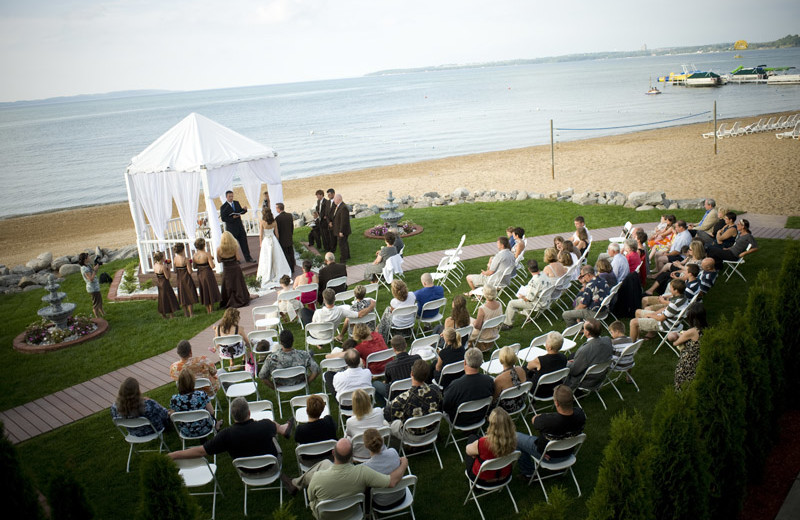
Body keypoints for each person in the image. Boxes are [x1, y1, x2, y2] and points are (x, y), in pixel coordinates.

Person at [169, 397, 296, 492]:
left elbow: (201, 451)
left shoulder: (225, 435)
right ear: (249, 413)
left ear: (232, 415)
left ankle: (280, 471)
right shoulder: (266, 424)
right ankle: (284, 429)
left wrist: (174, 455)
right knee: (273, 436)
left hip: (246, 473)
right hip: (271, 467)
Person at [304, 438, 409, 519]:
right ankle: (297, 482)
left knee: (324, 465)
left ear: (333, 453)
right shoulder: (363, 472)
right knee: (325, 463)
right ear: (352, 456)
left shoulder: (317, 477)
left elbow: (311, 498)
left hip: (326, 517)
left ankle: (297, 482)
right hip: (353, 513)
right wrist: (404, 463)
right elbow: (391, 481)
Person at [516, 385, 586, 479]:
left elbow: (534, 420)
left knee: (515, 438)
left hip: (548, 456)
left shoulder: (548, 421)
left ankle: (528, 472)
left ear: (556, 403)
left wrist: (547, 415)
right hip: (568, 454)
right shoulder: (581, 415)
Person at [384, 359, 443, 439]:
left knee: (384, 422)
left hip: (412, 436)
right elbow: (441, 408)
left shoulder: (402, 399)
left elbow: (387, 416)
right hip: (432, 431)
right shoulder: (436, 391)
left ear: (411, 373)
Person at [443, 348, 495, 426]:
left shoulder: (456, 386)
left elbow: (445, 406)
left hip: (460, 421)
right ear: (481, 362)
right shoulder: (489, 381)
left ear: (464, 362)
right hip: (480, 416)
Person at [465, 408, 517, 485]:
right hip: (505, 476)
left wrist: (476, 453)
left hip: (482, 480)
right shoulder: (513, 439)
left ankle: (475, 487)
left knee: (472, 438)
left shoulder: (483, 442)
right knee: (476, 442)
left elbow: (468, 450)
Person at [362, 428, 407, 509]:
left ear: (366, 446)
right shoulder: (393, 452)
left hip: (382, 504)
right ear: (382, 440)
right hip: (401, 496)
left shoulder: (366, 467)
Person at [564, 319, 613, 389]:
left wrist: (568, 363)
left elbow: (574, 371)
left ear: (587, 332)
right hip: (601, 375)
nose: (583, 329)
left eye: (583, 328)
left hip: (587, 380)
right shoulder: (607, 339)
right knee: (572, 356)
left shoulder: (584, 350)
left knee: (562, 366)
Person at [374, 335, 422, 406]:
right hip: (416, 389)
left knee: (375, 384)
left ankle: (385, 407)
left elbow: (387, 382)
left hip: (397, 395)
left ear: (393, 349)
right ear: (406, 345)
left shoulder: (390, 366)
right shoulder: (417, 358)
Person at [170, 369, 219, 437]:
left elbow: (173, 416)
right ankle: (217, 425)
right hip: (205, 428)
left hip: (187, 431)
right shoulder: (201, 395)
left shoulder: (174, 399)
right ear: (193, 382)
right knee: (211, 416)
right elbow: (211, 411)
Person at [672, 303, 708, 391]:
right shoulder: (706, 328)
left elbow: (676, 343)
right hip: (698, 360)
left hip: (688, 362)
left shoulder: (692, 331)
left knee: (682, 385)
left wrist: (678, 335)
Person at [346, 389, 388, 459]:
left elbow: (349, 435)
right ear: (368, 400)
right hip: (379, 449)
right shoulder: (379, 411)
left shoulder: (350, 421)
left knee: (347, 437)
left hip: (360, 455)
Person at [256, 205, 292, 287]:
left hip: (266, 241)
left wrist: (261, 243)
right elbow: (277, 234)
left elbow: (261, 235)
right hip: (274, 240)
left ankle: (268, 274)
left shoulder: (262, 222)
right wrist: (277, 241)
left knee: (266, 259)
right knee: (277, 258)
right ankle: (277, 272)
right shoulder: (274, 221)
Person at [527, 331, 568, 397]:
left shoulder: (540, 360)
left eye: (546, 341)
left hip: (539, 391)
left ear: (549, 347)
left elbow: (528, 366)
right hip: (556, 388)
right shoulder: (564, 358)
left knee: (523, 372)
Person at [216, 230, 250, 308]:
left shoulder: (219, 249)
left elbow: (219, 260)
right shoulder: (234, 247)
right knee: (237, 284)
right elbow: (238, 258)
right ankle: (241, 299)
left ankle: (228, 300)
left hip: (226, 269)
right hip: (235, 268)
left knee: (228, 285)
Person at [219, 190, 253, 263]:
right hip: (231, 228)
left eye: (232, 196)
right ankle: (235, 259)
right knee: (233, 245)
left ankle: (248, 258)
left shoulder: (236, 203)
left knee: (244, 243)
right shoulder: (223, 207)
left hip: (240, 227)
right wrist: (232, 218)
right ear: (226, 197)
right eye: (229, 196)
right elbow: (223, 218)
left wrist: (244, 210)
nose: (231, 198)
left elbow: (240, 211)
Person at [492, 346, 527, 413]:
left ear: (501, 359)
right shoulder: (521, 370)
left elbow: (494, 398)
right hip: (520, 402)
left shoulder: (499, 379)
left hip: (505, 409)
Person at [192, 237, 221, 314]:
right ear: (204, 245)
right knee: (209, 289)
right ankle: (211, 310)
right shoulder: (207, 254)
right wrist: (212, 260)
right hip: (207, 273)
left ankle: (207, 309)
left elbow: (194, 266)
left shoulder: (194, 255)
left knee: (204, 289)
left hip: (200, 274)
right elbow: (212, 266)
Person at [470, 285, 502, 350]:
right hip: (494, 332)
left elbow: (477, 326)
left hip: (483, 334)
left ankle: (469, 346)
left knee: (467, 324)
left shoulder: (482, 308)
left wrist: (474, 323)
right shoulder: (499, 304)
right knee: (470, 319)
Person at [172, 243, 198, 318]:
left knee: (182, 294)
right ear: (183, 249)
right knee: (188, 294)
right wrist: (190, 264)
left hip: (179, 278)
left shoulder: (175, 259)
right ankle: (191, 313)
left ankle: (185, 313)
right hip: (186, 278)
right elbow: (190, 271)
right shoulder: (185, 259)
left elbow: (175, 270)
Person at [153, 251, 179, 319]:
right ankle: (171, 315)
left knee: (162, 298)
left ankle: (163, 314)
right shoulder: (163, 267)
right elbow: (167, 277)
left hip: (159, 282)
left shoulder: (155, 265)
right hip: (165, 283)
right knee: (168, 297)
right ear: (162, 258)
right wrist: (169, 268)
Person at [78, 252, 105, 318]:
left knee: (100, 300)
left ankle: (102, 312)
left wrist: (97, 266)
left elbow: (93, 271)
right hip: (92, 288)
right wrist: (95, 271)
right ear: (85, 259)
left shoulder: (88, 265)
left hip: (95, 287)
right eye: (88, 257)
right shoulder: (84, 269)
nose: (90, 257)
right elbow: (91, 279)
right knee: (96, 303)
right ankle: (97, 317)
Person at [275, 202, 296, 274]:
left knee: (286, 254)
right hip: (289, 237)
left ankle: (289, 268)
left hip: (282, 239)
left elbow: (278, 230)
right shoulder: (289, 215)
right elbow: (292, 227)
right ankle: (292, 267)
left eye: (276, 208)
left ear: (278, 208)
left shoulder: (278, 218)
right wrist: (290, 234)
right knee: (291, 253)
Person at [331, 193, 351, 263]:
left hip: (342, 230)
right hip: (340, 230)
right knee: (345, 243)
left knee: (342, 244)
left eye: (335, 199)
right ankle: (347, 255)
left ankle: (343, 259)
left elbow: (344, 221)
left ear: (338, 199)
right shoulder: (339, 207)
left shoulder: (343, 208)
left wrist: (341, 231)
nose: (334, 201)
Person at [325, 188, 337, 254]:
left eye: (329, 194)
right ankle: (332, 248)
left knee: (335, 236)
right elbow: (326, 213)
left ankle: (334, 248)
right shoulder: (328, 202)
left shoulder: (336, 201)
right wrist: (329, 222)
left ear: (333, 194)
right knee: (331, 236)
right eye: (328, 195)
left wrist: (332, 222)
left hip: (335, 222)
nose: (328, 196)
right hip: (329, 222)